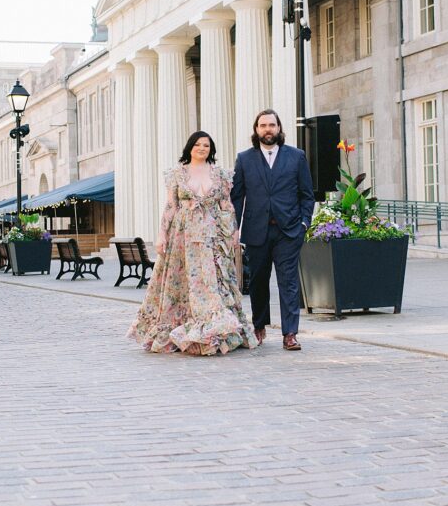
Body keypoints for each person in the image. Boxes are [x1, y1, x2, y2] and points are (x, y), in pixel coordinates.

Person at [129, 131, 258, 355]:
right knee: (181, 281)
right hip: (183, 235)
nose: (201, 148)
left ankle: (214, 329)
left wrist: (234, 232)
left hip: (212, 235)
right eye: (198, 144)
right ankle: (180, 327)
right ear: (190, 147)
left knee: (211, 281)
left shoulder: (220, 174)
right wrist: (162, 234)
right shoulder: (177, 174)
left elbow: (226, 206)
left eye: (206, 145)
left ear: (211, 149)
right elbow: (171, 206)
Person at [231, 109, 314, 351]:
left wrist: (304, 223)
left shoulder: (296, 157)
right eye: (263, 125)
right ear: (256, 130)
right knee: (258, 282)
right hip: (256, 231)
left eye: (272, 125)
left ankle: (290, 333)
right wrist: (234, 228)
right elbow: (237, 197)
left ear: (279, 128)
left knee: (288, 282)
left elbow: (306, 195)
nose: (268, 129)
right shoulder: (244, 159)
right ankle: (259, 327)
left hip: (288, 231)